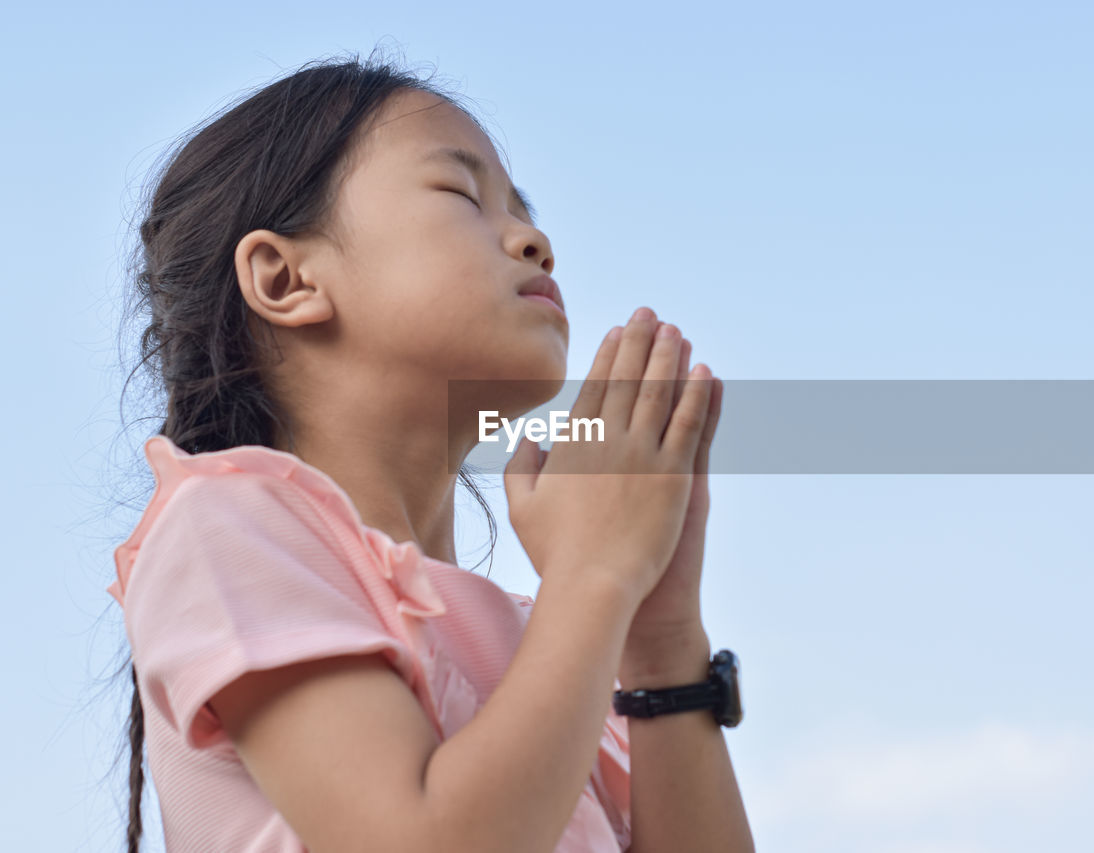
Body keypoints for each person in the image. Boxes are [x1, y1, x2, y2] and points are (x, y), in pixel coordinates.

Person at [105, 52, 753, 852]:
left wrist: (660, 642)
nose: (534, 240)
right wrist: (596, 572)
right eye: (460, 194)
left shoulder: (547, 644)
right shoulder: (223, 523)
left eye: (523, 207)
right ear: (283, 278)